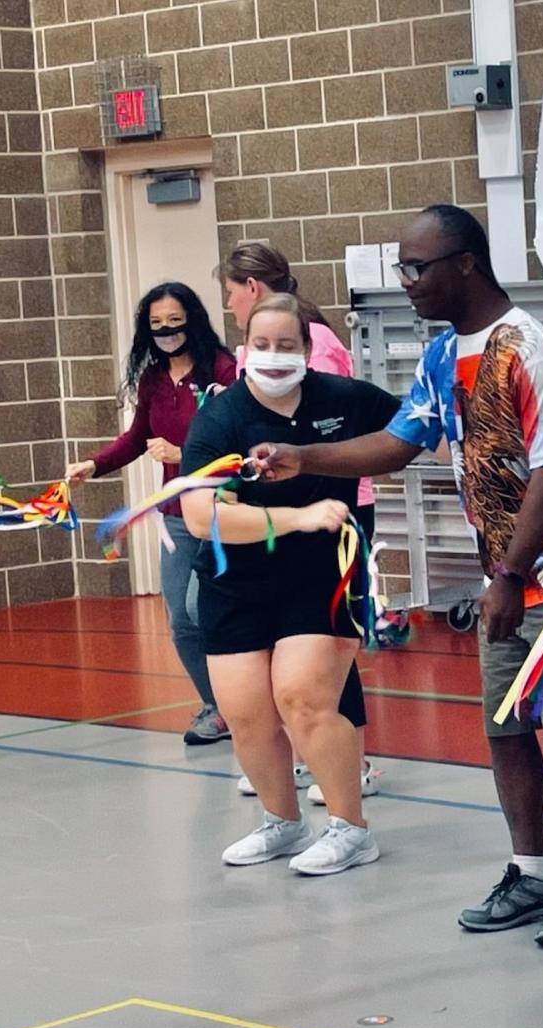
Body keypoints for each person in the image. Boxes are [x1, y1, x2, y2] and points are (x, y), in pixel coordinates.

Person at [252, 204, 543, 947]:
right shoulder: (439, 356)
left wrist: (509, 573)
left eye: (418, 268)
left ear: (466, 263)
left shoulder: (529, 346)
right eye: (403, 269)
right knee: (506, 721)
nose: (407, 283)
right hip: (510, 568)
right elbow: (398, 444)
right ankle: (532, 869)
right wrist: (306, 458)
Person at [180, 294, 399, 875]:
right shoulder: (220, 419)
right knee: (247, 711)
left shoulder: (344, 399)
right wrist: (296, 518)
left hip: (324, 575)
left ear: (308, 349)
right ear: (243, 349)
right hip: (236, 579)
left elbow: (412, 429)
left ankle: (351, 829)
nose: (274, 357)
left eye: (287, 345)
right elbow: (203, 517)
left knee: (303, 696)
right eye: (262, 345)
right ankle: (282, 821)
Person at [218, 241, 380, 804]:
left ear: (253, 288)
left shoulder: (322, 357)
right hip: (281, 520)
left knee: (329, 649)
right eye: (260, 344)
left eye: (231, 293)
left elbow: (346, 428)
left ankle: (348, 763)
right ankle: (302, 758)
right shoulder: (245, 373)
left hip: (341, 510)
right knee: (298, 662)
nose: (231, 304)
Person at [67, 282, 236, 746]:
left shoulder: (223, 372)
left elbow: (235, 448)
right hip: (176, 516)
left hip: (221, 512)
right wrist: (94, 464)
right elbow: (137, 437)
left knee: (199, 608)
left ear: (193, 321)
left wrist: (182, 453)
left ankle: (246, 699)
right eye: (156, 324)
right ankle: (217, 707)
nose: (166, 331)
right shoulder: (154, 381)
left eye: (174, 321)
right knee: (179, 619)